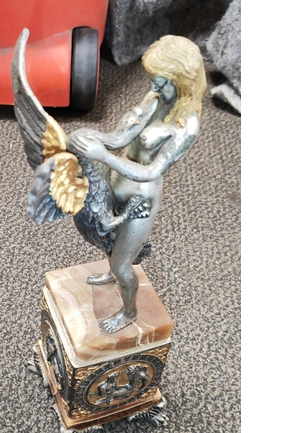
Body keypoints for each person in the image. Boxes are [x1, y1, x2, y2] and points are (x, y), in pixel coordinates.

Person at [69, 35, 207, 334]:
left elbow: (153, 170)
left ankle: (128, 311)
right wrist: (88, 138)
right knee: (107, 238)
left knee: (123, 264)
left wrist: (104, 156)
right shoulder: (154, 96)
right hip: (117, 178)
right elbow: (120, 138)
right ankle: (112, 272)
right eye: (153, 79)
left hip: (140, 198)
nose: (154, 86)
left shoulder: (186, 123)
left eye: (161, 81)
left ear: (181, 79)